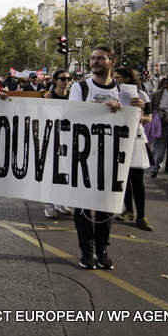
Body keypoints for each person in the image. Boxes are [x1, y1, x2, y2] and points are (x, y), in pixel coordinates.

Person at [68, 45, 123, 269]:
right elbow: (72, 114)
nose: (95, 62)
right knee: (83, 206)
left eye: (101, 58)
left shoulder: (124, 90)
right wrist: (102, 107)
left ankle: (102, 249)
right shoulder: (80, 88)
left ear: (112, 61)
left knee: (105, 206)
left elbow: (136, 120)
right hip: (84, 155)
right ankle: (86, 250)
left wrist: (138, 110)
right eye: (92, 58)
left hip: (111, 156)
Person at [112, 67, 153, 231]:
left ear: (128, 78)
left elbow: (148, 118)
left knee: (137, 180)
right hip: (118, 138)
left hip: (135, 139)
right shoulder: (113, 94)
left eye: (119, 78)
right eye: (115, 78)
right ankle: (128, 210)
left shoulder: (142, 95)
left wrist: (140, 111)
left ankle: (141, 216)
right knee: (123, 178)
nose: (117, 81)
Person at [42, 68, 72, 218]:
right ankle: (49, 204)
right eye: (62, 78)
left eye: (68, 78)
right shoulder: (48, 96)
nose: (66, 81)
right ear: (55, 81)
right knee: (52, 171)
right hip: (53, 137)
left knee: (65, 171)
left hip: (69, 138)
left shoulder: (73, 96)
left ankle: (60, 202)